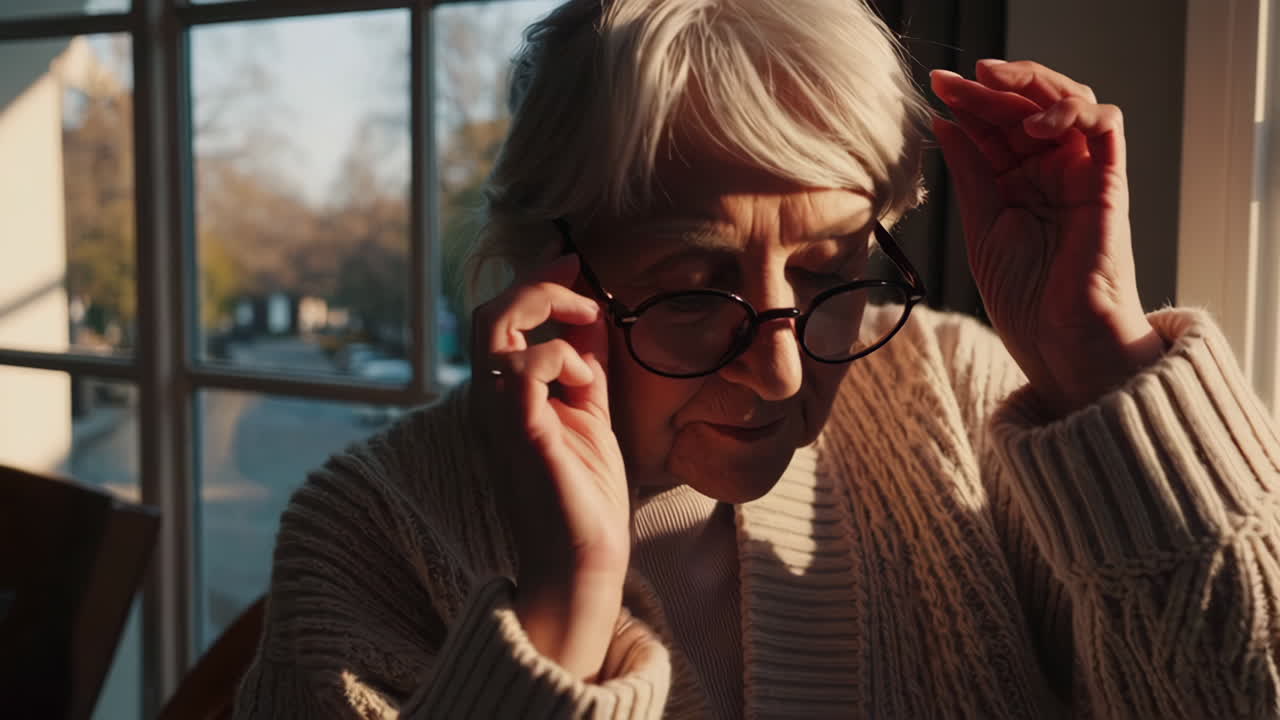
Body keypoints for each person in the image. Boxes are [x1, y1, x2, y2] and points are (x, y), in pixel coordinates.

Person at [235, 0, 1280, 717]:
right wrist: (564, 612)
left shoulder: (960, 398)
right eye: (697, 285)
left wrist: (1100, 363)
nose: (780, 374)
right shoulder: (373, 532)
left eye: (829, 272)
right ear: (544, 264)